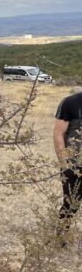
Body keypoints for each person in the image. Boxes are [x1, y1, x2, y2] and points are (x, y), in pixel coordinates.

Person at [54, 89, 82, 245]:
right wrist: (64, 164)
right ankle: (61, 237)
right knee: (71, 202)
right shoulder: (70, 103)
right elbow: (58, 134)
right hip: (74, 164)